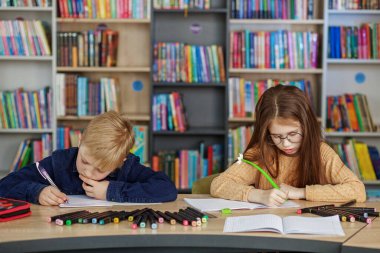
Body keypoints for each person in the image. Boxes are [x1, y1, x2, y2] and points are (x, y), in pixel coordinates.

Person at [211, 85, 366, 206]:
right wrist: (258, 195)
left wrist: (301, 192)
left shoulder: (321, 152)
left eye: (293, 134)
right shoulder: (261, 152)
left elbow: (357, 190)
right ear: (266, 132)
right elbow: (219, 184)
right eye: (277, 136)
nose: (285, 143)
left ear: (307, 125)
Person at [0, 111, 177, 206]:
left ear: (119, 162)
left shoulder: (127, 167)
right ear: (81, 139)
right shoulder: (60, 162)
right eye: (84, 160)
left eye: (100, 170)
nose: (88, 171)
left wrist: (111, 191)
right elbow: (5, 185)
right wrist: (37, 192)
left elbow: (167, 189)